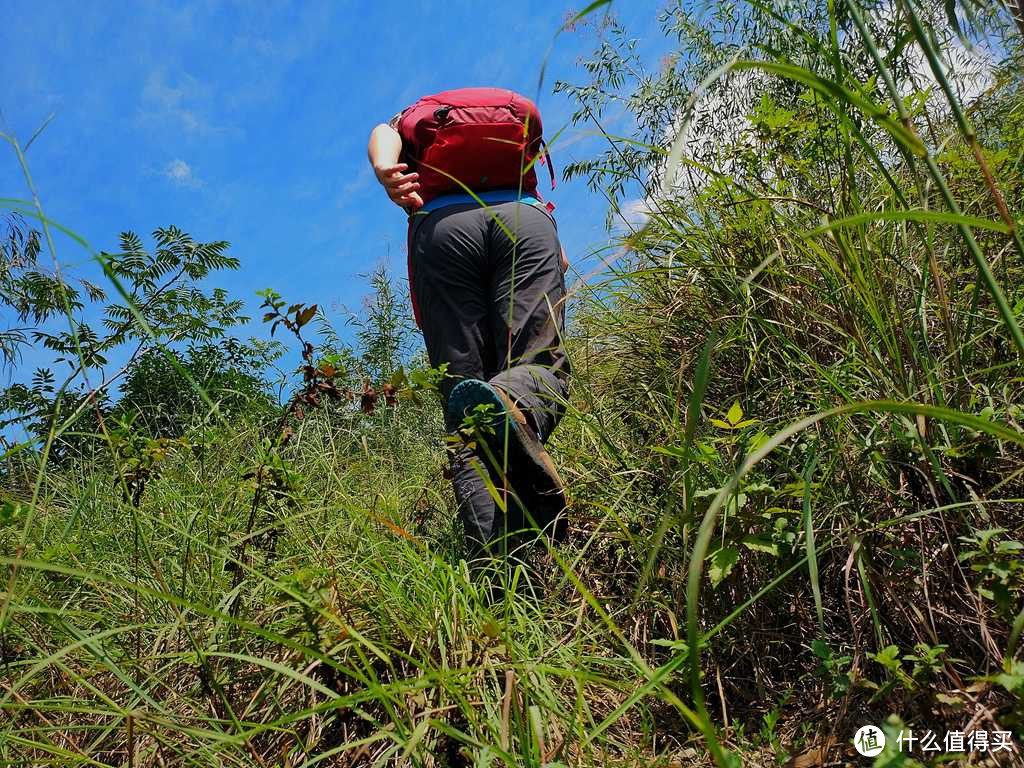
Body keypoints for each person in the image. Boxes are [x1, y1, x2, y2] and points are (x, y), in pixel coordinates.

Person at [366, 87, 570, 562]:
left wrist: (384, 171)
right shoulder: (508, 124)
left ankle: (497, 567)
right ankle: (513, 401)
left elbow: (383, 133)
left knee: (464, 397)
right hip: (525, 222)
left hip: (442, 229)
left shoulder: (414, 115)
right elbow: (548, 240)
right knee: (539, 359)